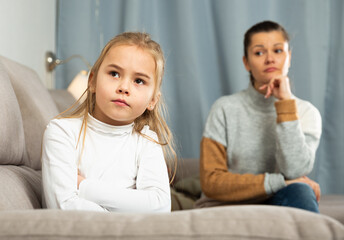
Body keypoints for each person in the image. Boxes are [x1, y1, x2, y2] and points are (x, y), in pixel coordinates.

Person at [42, 32, 176, 213]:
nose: (124, 88)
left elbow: (160, 207)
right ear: (92, 81)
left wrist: (84, 186)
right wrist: (129, 213)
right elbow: (64, 206)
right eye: (114, 73)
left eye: (139, 80)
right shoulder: (61, 132)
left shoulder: (147, 141)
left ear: (152, 100)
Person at [195, 21, 322, 213]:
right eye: (259, 52)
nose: (270, 59)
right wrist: (281, 182)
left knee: (301, 191)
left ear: (289, 57)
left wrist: (285, 105)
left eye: (278, 51)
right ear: (246, 62)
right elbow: (211, 182)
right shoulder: (225, 108)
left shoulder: (307, 113)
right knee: (298, 186)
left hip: (280, 202)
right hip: (226, 206)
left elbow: (295, 171)